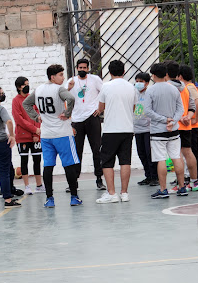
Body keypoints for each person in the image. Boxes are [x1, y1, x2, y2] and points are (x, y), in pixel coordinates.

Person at [23, 64, 81, 208]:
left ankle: (49, 199)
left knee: (48, 166)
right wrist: (67, 114)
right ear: (52, 77)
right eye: (61, 75)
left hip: (46, 135)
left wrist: (36, 117)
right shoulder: (59, 89)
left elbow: (26, 103)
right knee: (69, 164)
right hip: (62, 133)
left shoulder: (39, 89)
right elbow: (71, 99)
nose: (63, 77)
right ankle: (74, 197)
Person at [95, 60, 138, 204]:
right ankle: (124, 193)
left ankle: (111, 193)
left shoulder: (106, 86)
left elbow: (101, 107)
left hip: (111, 129)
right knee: (125, 161)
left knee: (107, 161)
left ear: (110, 72)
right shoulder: (131, 87)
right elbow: (133, 107)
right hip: (127, 128)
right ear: (124, 71)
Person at [144, 63, 186, 199]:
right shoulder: (174, 89)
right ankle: (182, 187)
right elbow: (181, 109)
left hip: (158, 130)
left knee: (160, 159)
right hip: (173, 129)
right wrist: (172, 121)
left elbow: (148, 111)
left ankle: (163, 189)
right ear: (165, 74)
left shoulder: (150, 90)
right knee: (176, 157)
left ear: (154, 75)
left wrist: (164, 120)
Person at [67, 58, 106, 191]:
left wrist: (100, 109)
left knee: (97, 149)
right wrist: (68, 88)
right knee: (77, 151)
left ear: (88, 68)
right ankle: (74, 181)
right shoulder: (71, 81)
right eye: (80, 68)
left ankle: (99, 179)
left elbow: (105, 93)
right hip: (77, 120)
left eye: (84, 68)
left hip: (92, 118)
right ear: (77, 68)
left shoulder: (95, 79)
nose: (82, 70)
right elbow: (63, 97)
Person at [164, 60, 198, 192]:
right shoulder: (185, 87)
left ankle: (181, 184)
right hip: (186, 124)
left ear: (166, 73)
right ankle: (194, 181)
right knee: (188, 152)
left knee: (177, 155)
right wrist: (188, 117)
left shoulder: (167, 87)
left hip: (175, 125)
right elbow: (192, 106)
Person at [12, 76, 45, 195]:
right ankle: (27, 186)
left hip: (36, 135)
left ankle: (39, 185)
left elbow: (37, 114)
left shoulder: (33, 98)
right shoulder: (16, 101)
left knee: (37, 160)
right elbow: (19, 119)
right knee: (24, 160)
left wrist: (37, 130)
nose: (27, 86)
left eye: (28, 83)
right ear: (18, 87)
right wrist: (34, 130)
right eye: (24, 84)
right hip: (23, 136)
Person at [178, 65, 198, 187]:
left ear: (181, 76)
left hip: (193, 126)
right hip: (190, 125)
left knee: (193, 152)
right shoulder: (187, 87)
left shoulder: (189, 87)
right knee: (189, 152)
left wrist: (195, 118)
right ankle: (190, 176)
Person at [0, 87, 25, 199]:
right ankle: (4, 191)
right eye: (1, 93)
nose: (4, 95)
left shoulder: (0, 108)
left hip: (3, 139)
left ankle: (9, 188)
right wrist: (12, 135)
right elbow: (8, 122)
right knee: (3, 169)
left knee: (9, 168)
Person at [133, 72, 158, 187]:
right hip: (137, 129)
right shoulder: (134, 93)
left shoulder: (150, 93)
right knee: (141, 153)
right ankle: (148, 176)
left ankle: (155, 177)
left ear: (147, 83)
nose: (138, 84)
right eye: (137, 81)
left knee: (150, 154)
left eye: (141, 82)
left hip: (149, 129)